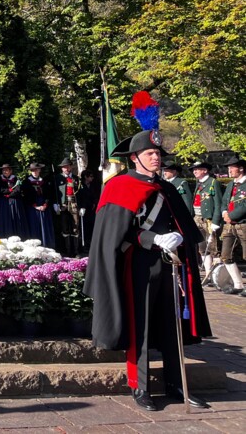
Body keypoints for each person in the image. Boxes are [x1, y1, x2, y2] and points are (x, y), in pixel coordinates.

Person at [84, 128, 211, 412]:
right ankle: (139, 386)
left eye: (158, 154)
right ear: (134, 158)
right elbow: (117, 236)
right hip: (138, 265)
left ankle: (177, 385)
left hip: (170, 266)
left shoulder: (166, 188)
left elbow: (182, 224)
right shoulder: (118, 186)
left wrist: (179, 236)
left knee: (172, 325)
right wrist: (153, 239)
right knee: (139, 324)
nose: (157, 158)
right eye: (150, 154)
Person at [190, 160, 223, 283]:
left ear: (205, 170)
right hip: (198, 218)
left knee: (213, 247)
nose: (194, 171)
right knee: (203, 248)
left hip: (208, 220)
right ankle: (208, 275)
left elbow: (218, 204)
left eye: (197, 169)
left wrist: (216, 220)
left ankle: (217, 277)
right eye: (194, 169)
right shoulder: (199, 183)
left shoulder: (213, 183)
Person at [218, 155, 246, 295]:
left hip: (243, 224)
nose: (229, 170)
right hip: (229, 224)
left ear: (241, 168)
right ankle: (238, 284)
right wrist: (224, 213)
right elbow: (224, 201)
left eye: (231, 167)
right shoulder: (230, 184)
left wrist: (232, 216)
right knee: (225, 255)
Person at [54, 158, 82, 256]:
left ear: (70, 167)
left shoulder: (76, 178)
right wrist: (55, 204)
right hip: (63, 205)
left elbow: (81, 193)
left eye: (67, 166)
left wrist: (82, 207)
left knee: (75, 227)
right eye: (64, 167)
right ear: (62, 169)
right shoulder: (57, 178)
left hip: (74, 204)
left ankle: (76, 251)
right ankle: (67, 250)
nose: (66, 169)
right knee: (64, 227)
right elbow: (55, 193)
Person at [22, 162, 54, 248]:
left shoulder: (44, 181)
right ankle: (35, 247)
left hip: (44, 207)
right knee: (34, 226)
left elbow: (49, 194)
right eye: (33, 170)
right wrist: (35, 206)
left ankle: (47, 245)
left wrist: (45, 204)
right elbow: (26, 196)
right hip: (33, 207)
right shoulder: (26, 182)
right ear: (30, 171)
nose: (35, 172)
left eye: (36, 170)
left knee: (45, 226)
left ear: (39, 170)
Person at [0, 163, 27, 239]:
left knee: (16, 218)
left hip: (15, 201)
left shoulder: (16, 179)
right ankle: (4, 236)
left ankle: (18, 236)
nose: (5, 172)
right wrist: (8, 190)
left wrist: (9, 195)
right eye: (3, 170)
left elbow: (18, 190)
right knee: (4, 219)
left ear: (11, 171)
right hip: (3, 203)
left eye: (7, 170)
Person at [76, 170, 100, 253]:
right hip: (83, 209)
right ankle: (83, 246)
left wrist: (94, 203)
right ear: (86, 177)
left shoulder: (93, 185)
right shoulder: (80, 185)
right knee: (84, 228)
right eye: (90, 176)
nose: (92, 178)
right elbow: (78, 197)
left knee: (91, 227)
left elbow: (95, 195)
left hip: (91, 209)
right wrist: (80, 207)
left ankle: (90, 245)